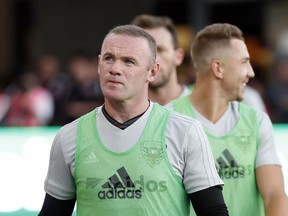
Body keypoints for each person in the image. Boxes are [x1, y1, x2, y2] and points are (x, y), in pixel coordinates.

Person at [38, 25, 229, 215]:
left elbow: (214, 212)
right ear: (98, 64)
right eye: (109, 58)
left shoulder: (184, 131)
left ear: (152, 72)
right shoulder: (70, 136)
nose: (114, 69)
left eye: (128, 61)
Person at [172, 23, 288, 216]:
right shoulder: (169, 121)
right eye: (244, 62)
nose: (251, 72)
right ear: (218, 68)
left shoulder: (256, 121)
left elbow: (274, 195)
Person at [131, 14, 191, 107]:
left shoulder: (203, 108)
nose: (154, 59)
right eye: (145, 50)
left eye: (161, 50)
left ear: (178, 56)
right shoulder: (120, 112)